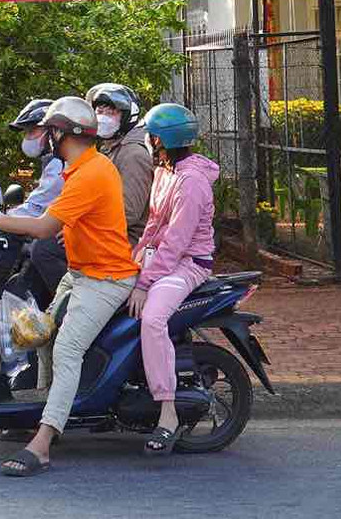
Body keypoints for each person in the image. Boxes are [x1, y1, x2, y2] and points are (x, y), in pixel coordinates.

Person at [0, 96, 139, 477]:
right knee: (42, 334)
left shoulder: (89, 173)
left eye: (49, 130)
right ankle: (48, 412)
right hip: (82, 272)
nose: (45, 136)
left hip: (106, 279)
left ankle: (44, 442)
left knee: (67, 349)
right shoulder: (81, 167)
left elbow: (43, 227)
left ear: (63, 133)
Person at [125, 103, 218, 457]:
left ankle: (167, 412)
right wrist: (131, 262)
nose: (146, 140)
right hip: (161, 258)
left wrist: (145, 283)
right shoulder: (165, 171)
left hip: (189, 264)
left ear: (161, 140)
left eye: (150, 135)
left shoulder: (191, 182)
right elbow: (153, 227)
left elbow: (177, 242)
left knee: (152, 318)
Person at [7, 99, 67, 304]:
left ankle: (67, 310)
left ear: (53, 131)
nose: (28, 138)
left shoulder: (61, 164)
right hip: (62, 229)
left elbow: (36, 210)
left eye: (33, 131)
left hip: (78, 240)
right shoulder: (53, 161)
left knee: (41, 251)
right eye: (26, 132)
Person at [86, 82, 153, 247]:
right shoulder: (109, 148)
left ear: (127, 116)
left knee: (46, 251)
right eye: (99, 111)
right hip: (107, 232)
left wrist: (83, 227)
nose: (103, 117)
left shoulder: (133, 155)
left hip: (125, 240)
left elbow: (127, 213)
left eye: (111, 112)